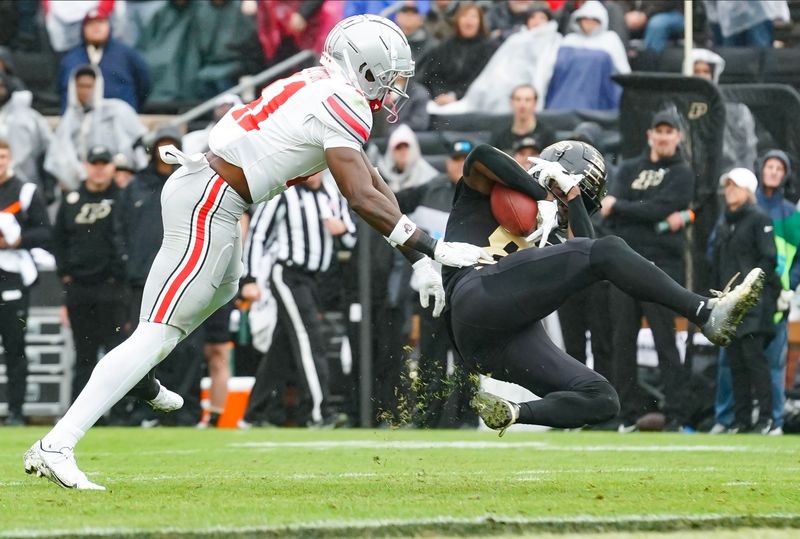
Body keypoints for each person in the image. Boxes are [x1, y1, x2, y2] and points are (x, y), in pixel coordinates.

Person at [25, 14, 488, 490]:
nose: (396, 89)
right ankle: (58, 444)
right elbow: (360, 197)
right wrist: (432, 247)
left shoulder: (323, 81)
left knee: (222, 290)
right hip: (211, 198)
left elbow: (371, 179)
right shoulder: (344, 100)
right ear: (366, 69)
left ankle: (140, 370)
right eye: (391, 77)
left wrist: (417, 260)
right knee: (157, 330)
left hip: (212, 191)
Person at [439, 140, 764, 435]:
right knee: (607, 248)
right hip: (475, 295)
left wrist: (572, 197)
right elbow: (480, 155)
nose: (564, 208)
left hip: (492, 343)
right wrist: (543, 196)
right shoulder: (490, 190)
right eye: (565, 192)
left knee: (603, 398)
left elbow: (590, 257)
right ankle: (704, 312)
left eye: (573, 199)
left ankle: (513, 412)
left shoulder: (552, 232)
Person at [600, 110, 695, 431]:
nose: (664, 137)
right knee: (621, 341)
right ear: (650, 135)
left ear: (677, 137)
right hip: (625, 265)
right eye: (660, 131)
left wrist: (624, 207)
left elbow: (660, 207)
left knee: (665, 341)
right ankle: (625, 415)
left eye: (670, 132)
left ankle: (677, 414)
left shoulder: (682, 172)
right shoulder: (628, 168)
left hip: (660, 267)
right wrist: (645, 216)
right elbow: (609, 214)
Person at [241, 171, 356, 427]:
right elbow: (258, 234)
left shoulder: (332, 194)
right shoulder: (283, 193)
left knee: (281, 348)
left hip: (318, 280)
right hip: (288, 274)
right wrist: (249, 278)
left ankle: (254, 414)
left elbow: (350, 238)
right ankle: (319, 412)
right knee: (309, 338)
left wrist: (340, 230)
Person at [395, 139, 478, 428]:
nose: (459, 165)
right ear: (447, 162)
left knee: (466, 358)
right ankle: (427, 419)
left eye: (465, 160)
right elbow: (389, 205)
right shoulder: (428, 190)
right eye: (456, 159)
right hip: (432, 289)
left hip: (466, 291)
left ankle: (467, 417)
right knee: (431, 357)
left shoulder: (483, 195)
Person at [710, 168, 779, 434]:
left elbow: (768, 260)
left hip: (754, 306)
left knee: (755, 361)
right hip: (730, 306)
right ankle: (741, 421)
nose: (730, 191)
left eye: (735, 186)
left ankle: (766, 419)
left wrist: (751, 292)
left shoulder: (759, 218)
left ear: (748, 191)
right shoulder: (724, 221)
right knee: (735, 364)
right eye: (727, 186)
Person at [0, 139, 52, 426]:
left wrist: (17, 240)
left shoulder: (25, 190)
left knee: (14, 343)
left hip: (12, 275)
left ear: (10, 158)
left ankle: (16, 410)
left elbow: (45, 233)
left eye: (3, 156)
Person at [45, 64, 147, 192]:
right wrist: (82, 174)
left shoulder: (117, 110)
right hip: (82, 185)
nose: (85, 91)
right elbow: (58, 157)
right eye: (80, 86)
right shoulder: (68, 120)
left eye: (89, 86)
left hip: (118, 182)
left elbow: (138, 147)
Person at [58, 8, 151, 112]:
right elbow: (62, 90)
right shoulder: (71, 58)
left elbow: (144, 85)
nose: (96, 27)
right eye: (91, 24)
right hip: (80, 120)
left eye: (101, 22)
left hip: (118, 120)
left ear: (109, 26)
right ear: (83, 29)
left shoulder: (127, 55)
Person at [545, 0, 630, 111]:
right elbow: (551, 69)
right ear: (579, 20)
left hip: (598, 95)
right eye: (585, 19)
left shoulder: (610, 40)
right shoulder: (569, 40)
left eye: (594, 20)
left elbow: (623, 70)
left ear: (601, 21)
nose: (589, 24)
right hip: (565, 94)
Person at [691, 49, 759, 174]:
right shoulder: (678, 109)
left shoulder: (737, 111)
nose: (701, 76)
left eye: (705, 71)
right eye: (696, 71)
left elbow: (748, 151)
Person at [423, 2, 497, 106]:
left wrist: (455, 96)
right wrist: (439, 94)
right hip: (440, 100)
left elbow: (483, 80)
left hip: (474, 101)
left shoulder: (490, 47)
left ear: (480, 22)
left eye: (473, 17)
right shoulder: (445, 46)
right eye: (464, 16)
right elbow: (433, 76)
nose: (468, 21)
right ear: (457, 21)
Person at [0, 72, 53, 190]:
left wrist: (49, 183)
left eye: (2, 86)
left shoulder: (28, 116)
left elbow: (50, 148)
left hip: (26, 183)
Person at [491, 85, 554, 155]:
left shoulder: (547, 135)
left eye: (527, 100)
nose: (522, 105)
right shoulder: (500, 135)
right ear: (511, 103)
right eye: (518, 99)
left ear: (535, 103)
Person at [376, 124, 438, 193]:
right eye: (398, 147)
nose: (403, 152)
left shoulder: (428, 178)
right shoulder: (382, 175)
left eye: (406, 147)